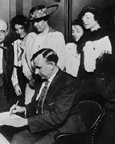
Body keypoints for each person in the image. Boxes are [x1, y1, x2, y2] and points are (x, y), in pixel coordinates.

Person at [2, 48, 85, 144]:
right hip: (47, 126)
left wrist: (26, 122)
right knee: (18, 139)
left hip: (63, 130)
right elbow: (42, 103)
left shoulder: (69, 83)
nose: (36, 72)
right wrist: (24, 109)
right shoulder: (44, 79)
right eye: (35, 68)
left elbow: (57, 116)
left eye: (39, 67)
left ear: (52, 65)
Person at [77, 5, 115, 144]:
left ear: (96, 18)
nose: (84, 20)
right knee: (86, 120)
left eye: (87, 17)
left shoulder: (109, 35)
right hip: (87, 85)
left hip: (105, 86)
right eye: (83, 17)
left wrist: (109, 87)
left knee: (105, 125)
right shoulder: (85, 38)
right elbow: (82, 66)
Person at [22, 4, 66, 104]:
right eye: (33, 22)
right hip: (32, 83)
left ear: (46, 20)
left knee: (45, 110)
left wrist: (50, 79)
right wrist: (30, 77)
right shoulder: (30, 37)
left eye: (38, 21)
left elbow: (61, 62)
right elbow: (24, 59)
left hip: (49, 83)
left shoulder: (57, 36)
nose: (35, 25)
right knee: (30, 111)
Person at [10, 15, 30, 106]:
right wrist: (15, 84)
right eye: (16, 29)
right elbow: (13, 66)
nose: (19, 32)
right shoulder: (15, 44)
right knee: (19, 103)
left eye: (21, 28)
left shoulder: (33, 40)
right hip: (19, 76)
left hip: (31, 76)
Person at [0, 19, 14, 112]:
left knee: (4, 109)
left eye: (2, 31)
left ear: (7, 33)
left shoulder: (10, 48)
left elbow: (12, 69)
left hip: (3, 82)